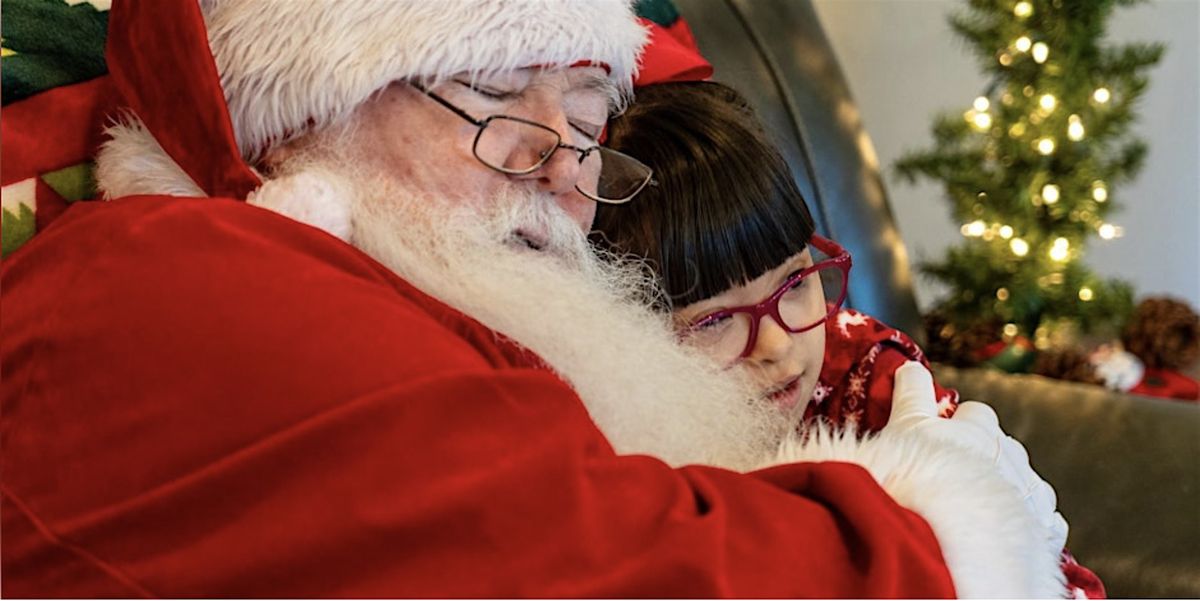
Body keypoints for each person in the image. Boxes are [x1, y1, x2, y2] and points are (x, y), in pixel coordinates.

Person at [2, 0, 1066, 597]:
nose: (563, 166)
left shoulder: (414, 294)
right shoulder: (183, 282)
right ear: (285, 128)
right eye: (499, 95)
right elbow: (603, 568)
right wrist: (941, 529)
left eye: (591, 114)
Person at [593, 79, 1105, 597]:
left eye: (794, 282)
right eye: (714, 321)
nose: (776, 344)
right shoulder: (604, 447)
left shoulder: (872, 377)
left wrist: (984, 515)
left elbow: (1070, 582)